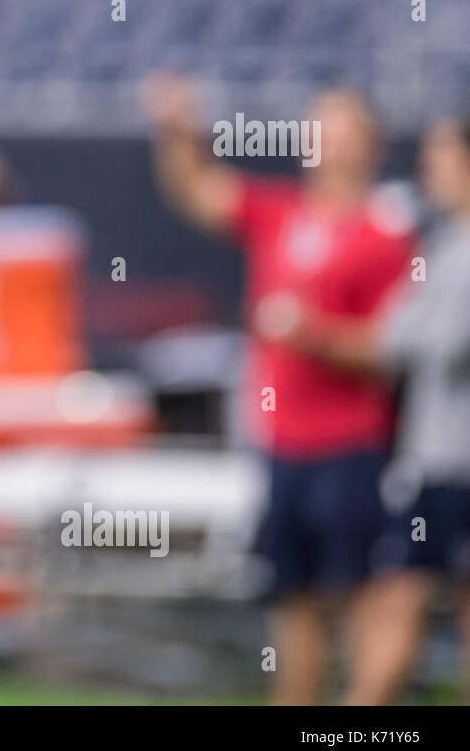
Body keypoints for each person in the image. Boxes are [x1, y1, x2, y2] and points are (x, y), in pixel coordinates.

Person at [142, 74, 416, 704]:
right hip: (283, 444)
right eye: (321, 127)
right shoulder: (282, 213)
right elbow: (198, 192)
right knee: (291, 605)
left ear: (370, 145)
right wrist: (177, 129)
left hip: (351, 445)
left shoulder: (385, 233)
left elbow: (392, 351)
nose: (328, 142)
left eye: (343, 130)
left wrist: (314, 334)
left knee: (358, 599)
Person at [268, 117, 470, 704]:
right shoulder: (444, 243)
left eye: (442, 154)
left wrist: (316, 332)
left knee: (394, 604)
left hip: (450, 465)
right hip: (439, 460)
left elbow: (417, 344)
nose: (430, 168)